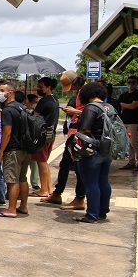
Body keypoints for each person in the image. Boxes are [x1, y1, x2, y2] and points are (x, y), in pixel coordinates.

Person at [41, 71, 86, 209]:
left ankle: (79, 199)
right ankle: (57, 193)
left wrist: (75, 112)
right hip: (74, 134)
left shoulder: (87, 92)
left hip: (81, 135)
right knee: (65, 164)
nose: (71, 89)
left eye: (71, 86)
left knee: (79, 169)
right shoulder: (80, 92)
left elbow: (94, 111)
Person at [73, 82, 112, 223]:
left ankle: (92, 215)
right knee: (103, 181)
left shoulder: (91, 108)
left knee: (91, 183)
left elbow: (84, 130)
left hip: (92, 151)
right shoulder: (109, 107)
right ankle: (102, 211)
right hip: (107, 150)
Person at [0, 81, 31, 218]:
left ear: (10, 93)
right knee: (23, 178)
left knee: (12, 180)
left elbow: (7, 133)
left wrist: (1, 151)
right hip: (25, 148)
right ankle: (23, 206)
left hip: (13, 150)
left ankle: (11, 209)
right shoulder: (22, 107)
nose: (0, 92)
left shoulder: (8, 110)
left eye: (2, 90)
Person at [30, 77, 60, 197]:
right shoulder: (55, 100)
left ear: (48, 88)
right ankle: (48, 188)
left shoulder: (44, 101)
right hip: (51, 134)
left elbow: (35, 117)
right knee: (45, 162)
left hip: (41, 134)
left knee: (41, 162)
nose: (38, 89)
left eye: (41, 87)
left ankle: (43, 190)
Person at [117, 75, 138, 171]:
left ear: (137, 83)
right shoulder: (123, 95)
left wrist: (124, 105)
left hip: (135, 122)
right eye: (129, 82)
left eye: (133, 82)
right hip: (125, 121)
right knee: (128, 143)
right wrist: (126, 105)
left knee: (134, 142)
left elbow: (134, 106)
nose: (131, 84)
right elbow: (120, 106)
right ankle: (131, 162)